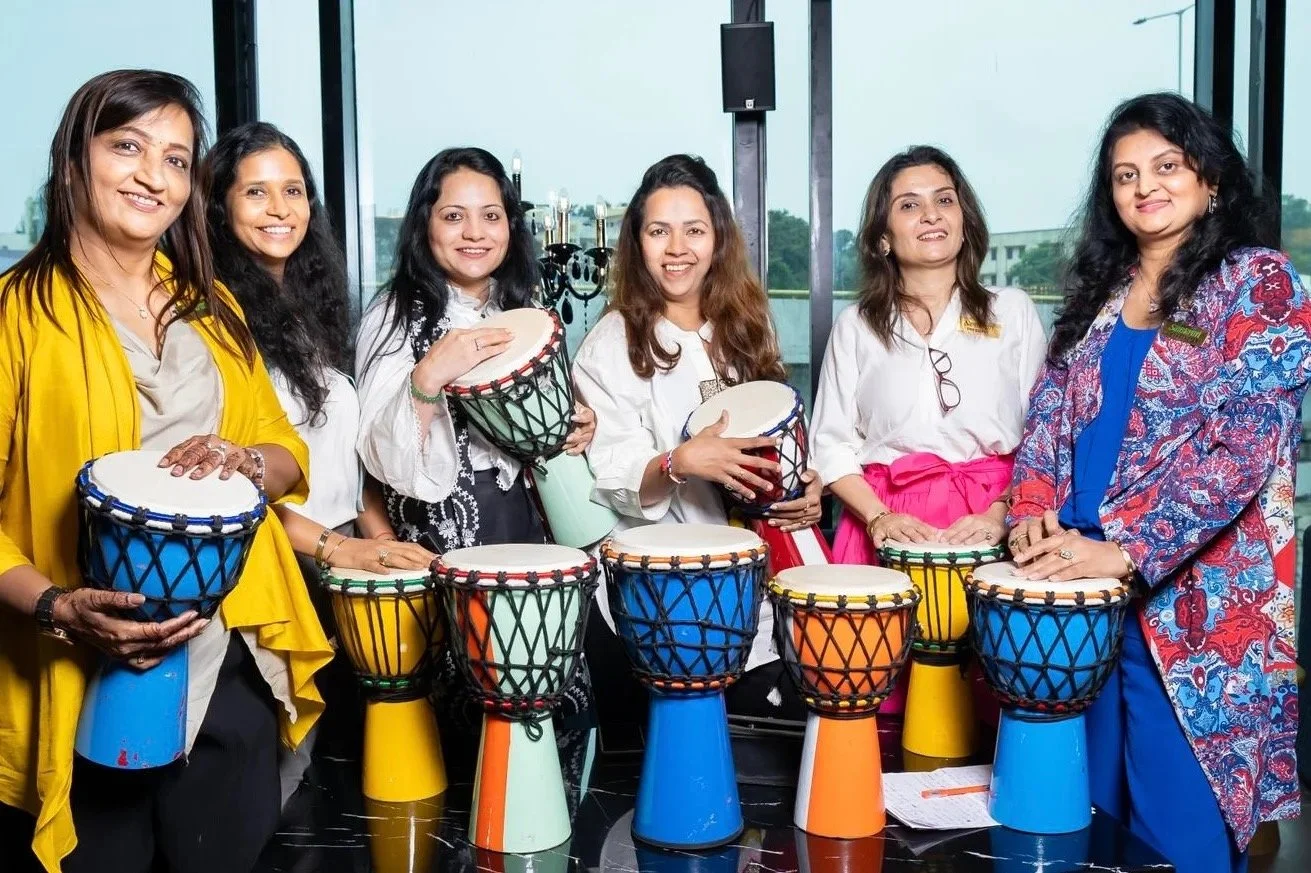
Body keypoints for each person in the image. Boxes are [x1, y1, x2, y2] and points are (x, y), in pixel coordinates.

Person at [0, 71, 331, 873]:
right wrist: (55, 605)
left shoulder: (213, 305)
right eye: (128, 146)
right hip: (79, 661)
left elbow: (288, 454)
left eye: (178, 159)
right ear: (74, 161)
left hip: (230, 661)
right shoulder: (15, 313)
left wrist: (248, 460)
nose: (154, 175)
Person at [1008, 92, 1307, 873]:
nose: (1145, 186)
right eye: (1124, 175)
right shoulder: (1097, 298)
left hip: (1193, 609)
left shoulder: (1260, 284)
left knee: (1182, 837)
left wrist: (1130, 549)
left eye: (1166, 166)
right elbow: (1046, 419)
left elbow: (1243, 447)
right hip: (1079, 595)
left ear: (1208, 177)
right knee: (1093, 826)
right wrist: (1033, 506)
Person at [354, 146, 596, 797]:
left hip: (527, 533)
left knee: (548, 714)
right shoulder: (395, 314)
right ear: (423, 224)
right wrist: (430, 374)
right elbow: (378, 456)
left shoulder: (527, 307)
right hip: (439, 543)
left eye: (491, 215)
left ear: (511, 227)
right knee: (459, 740)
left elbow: (551, 422)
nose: (474, 231)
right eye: (455, 215)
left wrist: (579, 420)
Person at [205, 121, 435, 805]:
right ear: (219, 208)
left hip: (330, 557)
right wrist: (339, 549)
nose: (280, 209)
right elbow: (237, 481)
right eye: (256, 192)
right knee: (274, 783)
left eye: (293, 190)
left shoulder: (310, 310)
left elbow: (343, 452)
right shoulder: (215, 319)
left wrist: (380, 537)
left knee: (318, 778)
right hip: (274, 563)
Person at [572, 153, 824, 720]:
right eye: (659, 231)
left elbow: (775, 443)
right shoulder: (613, 342)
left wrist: (805, 488)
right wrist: (680, 462)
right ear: (638, 243)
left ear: (718, 239)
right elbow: (608, 474)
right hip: (671, 585)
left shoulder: (744, 325)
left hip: (760, 569)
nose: (677, 248)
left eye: (694, 230)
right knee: (703, 728)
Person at [810, 145, 1046, 716]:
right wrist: (880, 518)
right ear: (883, 237)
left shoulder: (1010, 311)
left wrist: (999, 515)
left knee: (995, 696)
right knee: (876, 698)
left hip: (994, 520)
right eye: (909, 205)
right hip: (884, 522)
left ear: (965, 222)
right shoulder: (857, 326)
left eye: (944, 200)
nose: (932, 215)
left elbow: (1046, 435)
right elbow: (830, 443)